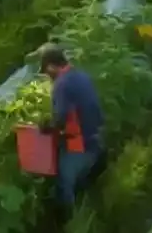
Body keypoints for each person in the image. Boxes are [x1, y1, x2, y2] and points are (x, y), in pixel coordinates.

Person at [38, 44, 105, 216]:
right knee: (83, 182)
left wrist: (46, 127)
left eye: (46, 71)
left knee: (64, 182)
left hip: (81, 144)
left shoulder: (61, 84)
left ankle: (70, 220)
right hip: (97, 138)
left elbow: (60, 119)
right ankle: (89, 207)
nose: (47, 76)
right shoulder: (81, 75)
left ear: (51, 66)